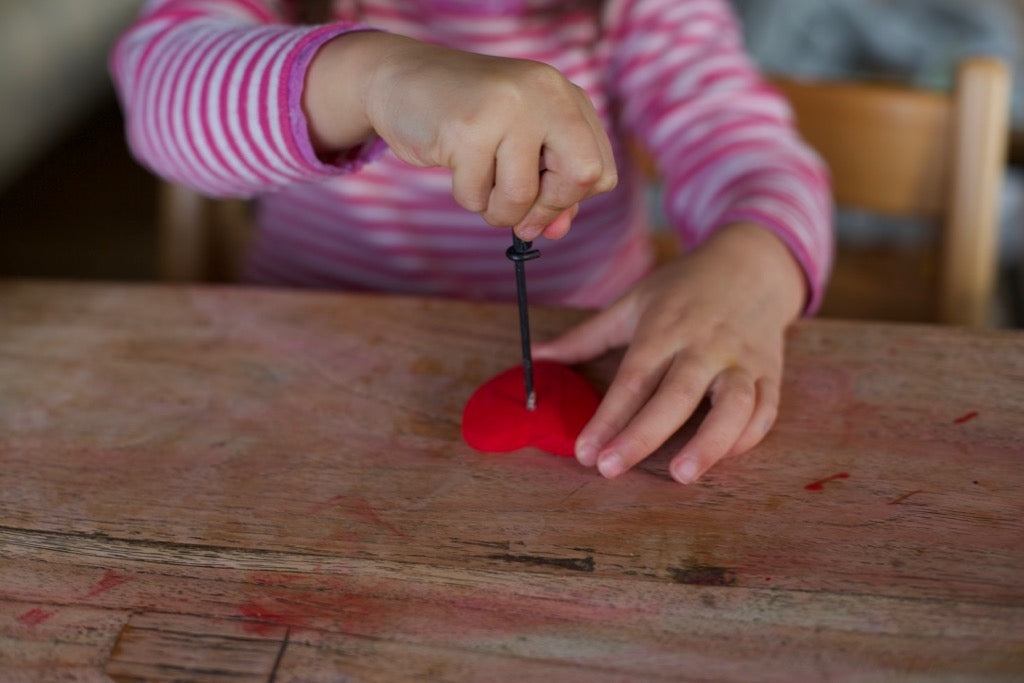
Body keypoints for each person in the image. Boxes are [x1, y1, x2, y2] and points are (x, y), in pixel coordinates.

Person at [111, 0, 833, 484]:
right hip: (293, 404)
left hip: (586, 356)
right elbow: (160, 92)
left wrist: (753, 267)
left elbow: (748, 150)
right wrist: (368, 76)